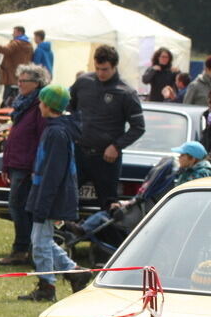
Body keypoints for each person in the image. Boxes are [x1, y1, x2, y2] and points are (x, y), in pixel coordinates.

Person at [18, 85, 92, 302]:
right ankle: (75, 272)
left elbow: (53, 173)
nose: (39, 105)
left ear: (48, 105)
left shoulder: (57, 133)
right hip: (46, 195)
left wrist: (43, 205)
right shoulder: (54, 129)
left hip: (51, 197)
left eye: (41, 101)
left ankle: (47, 287)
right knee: (42, 240)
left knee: (40, 242)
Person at [69, 141, 211, 239]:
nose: (179, 158)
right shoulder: (187, 171)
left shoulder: (198, 175)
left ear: (192, 159)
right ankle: (84, 227)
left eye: (182, 155)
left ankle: (83, 229)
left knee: (105, 216)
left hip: (188, 218)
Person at [68, 45, 145, 210]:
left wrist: (116, 146)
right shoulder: (83, 82)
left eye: (105, 69)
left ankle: (108, 236)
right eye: (97, 68)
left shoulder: (126, 93)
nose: (101, 73)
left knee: (109, 205)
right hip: (79, 152)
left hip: (106, 158)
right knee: (65, 197)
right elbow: (70, 109)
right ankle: (64, 235)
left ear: (114, 66)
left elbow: (138, 127)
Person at [0, 64, 49, 266]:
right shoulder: (22, 104)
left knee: (19, 208)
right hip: (17, 163)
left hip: (28, 166)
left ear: (36, 83)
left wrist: (35, 167)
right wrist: (6, 164)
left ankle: (23, 249)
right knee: (17, 207)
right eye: (18, 80)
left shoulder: (39, 105)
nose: (19, 84)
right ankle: (24, 248)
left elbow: (40, 139)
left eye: (23, 81)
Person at [0, 26, 33, 108]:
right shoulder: (29, 45)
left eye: (14, 32)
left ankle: (4, 117)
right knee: (19, 99)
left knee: (7, 99)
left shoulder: (16, 43)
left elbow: (3, 50)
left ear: (19, 33)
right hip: (22, 76)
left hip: (11, 76)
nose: (12, 34)